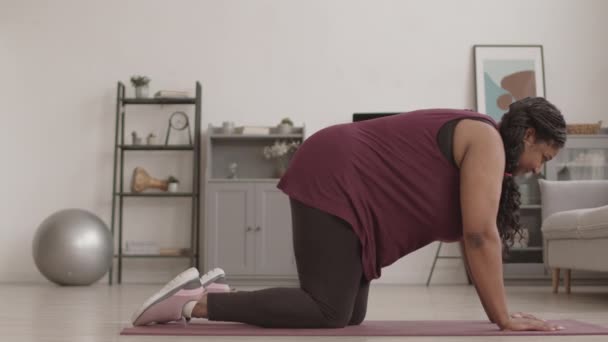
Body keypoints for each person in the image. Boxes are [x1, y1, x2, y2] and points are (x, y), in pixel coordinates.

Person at [131, 97, 567, 332]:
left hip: (348, 184)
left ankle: (210, 289)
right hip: (335, 172)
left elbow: (473, 229)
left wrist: (501, 312)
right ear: (528, 135)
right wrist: (503, 318)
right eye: (543, 155)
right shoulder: (487, 140)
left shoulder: (487, 149)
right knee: (327, 311)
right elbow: (479, 237)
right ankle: (193, 305)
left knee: (348, 315)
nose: (537, 169)